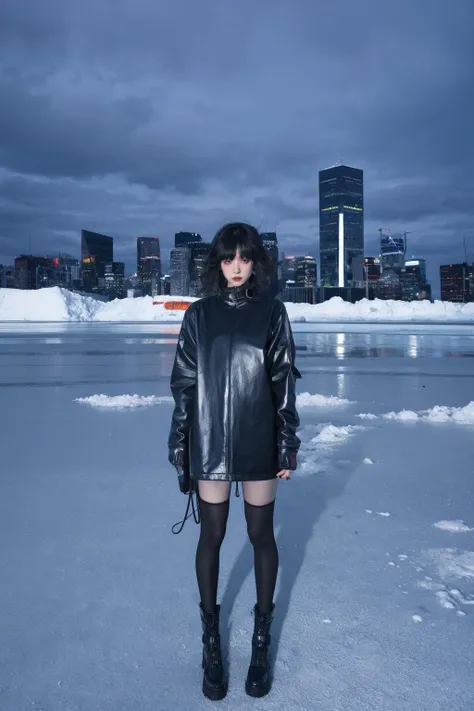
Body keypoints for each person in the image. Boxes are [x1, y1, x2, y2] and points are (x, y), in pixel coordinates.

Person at [168, 222, 301, 700]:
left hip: (259, 440)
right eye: (228, 258)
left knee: (260, 535)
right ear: (217, 263)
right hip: (210, 442)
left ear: (256, 261)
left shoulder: (272, 311)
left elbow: (283, 378)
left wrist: (288, 438)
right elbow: (184, 384)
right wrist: (180, 442)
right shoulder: (199, 316)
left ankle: (260, 640)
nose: (237, 267)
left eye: (244, 258)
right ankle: (211, 641)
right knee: (213, 536)